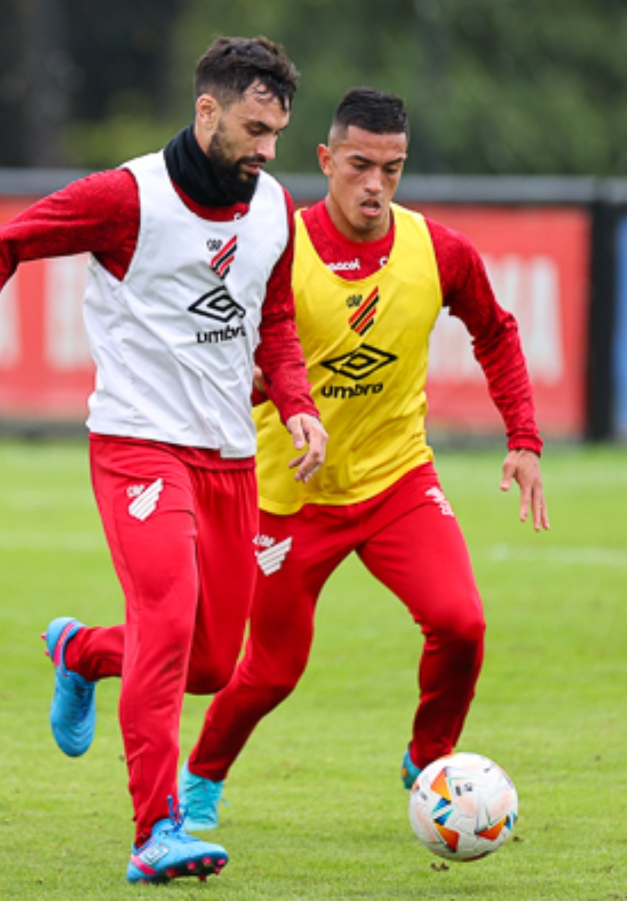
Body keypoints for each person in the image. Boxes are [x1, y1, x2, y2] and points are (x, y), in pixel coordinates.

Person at [0, 37, 327, 884]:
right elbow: (0, 249)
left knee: (210, 663)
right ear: (206, 111)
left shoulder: (275, 206)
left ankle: (85, 652)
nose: (266, 149)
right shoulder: (127, 197)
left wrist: (299, 406)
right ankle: (156, 829)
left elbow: (274, 321)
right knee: (169, 624)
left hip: (231, 460)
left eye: (276, 132)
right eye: (253, 128)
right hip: (138, 445)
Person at [172, 88, 549, 830]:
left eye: (393, 168)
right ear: (326, 160)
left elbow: (496, 332)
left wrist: (525, 439)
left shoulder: (437, 251)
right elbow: (220, 351)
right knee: (272, 670)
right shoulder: (274, 243)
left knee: (461, 623)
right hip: (289, 497)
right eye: (359, 165)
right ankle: (200, 781)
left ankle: (429, 764)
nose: (375, 184)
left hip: (396, 481)